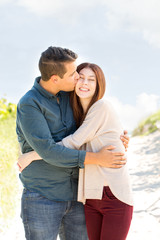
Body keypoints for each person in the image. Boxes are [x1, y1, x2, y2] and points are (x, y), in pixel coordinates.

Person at [16, 47, 129, 240]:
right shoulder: (30, 104)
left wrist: (118, 138)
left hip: (78, 196)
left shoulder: (71, 96)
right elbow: (50, 151)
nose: (78, 77)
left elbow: (91, 128)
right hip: (43, 196)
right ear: (55, 78)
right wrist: (97, 159)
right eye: (73, 74)